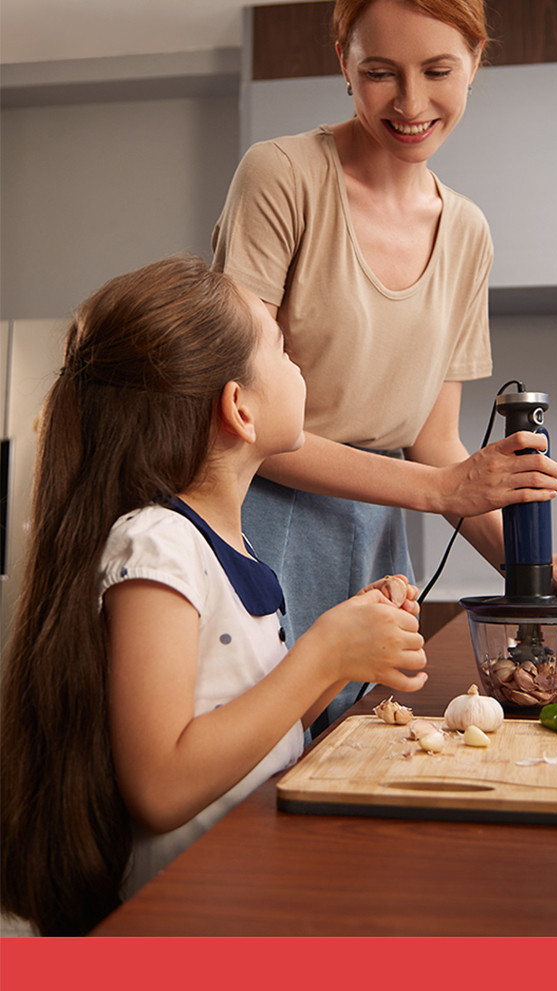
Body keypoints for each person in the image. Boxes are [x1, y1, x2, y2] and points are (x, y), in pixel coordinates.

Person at [211, 0, 557, 731]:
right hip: (255, 521)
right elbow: (249, 418)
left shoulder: (467, 232)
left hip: (378, 541)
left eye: (437, 71)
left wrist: (530, 570)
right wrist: (438, 487)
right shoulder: (281, 177)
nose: (411, 103)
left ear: (475, 63)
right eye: (379, 73)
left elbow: (436, 446)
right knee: (263, 761)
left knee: (354, 750)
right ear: (343, 62)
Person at [0, 254, 427, 937]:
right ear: (239, 408)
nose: (297, 367)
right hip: (188, 919)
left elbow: (247, 719)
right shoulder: (158, 543)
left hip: (247, 891)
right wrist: (319, 656)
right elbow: (163, 782)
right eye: (282, 351)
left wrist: (345, 649)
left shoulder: (231, 547)